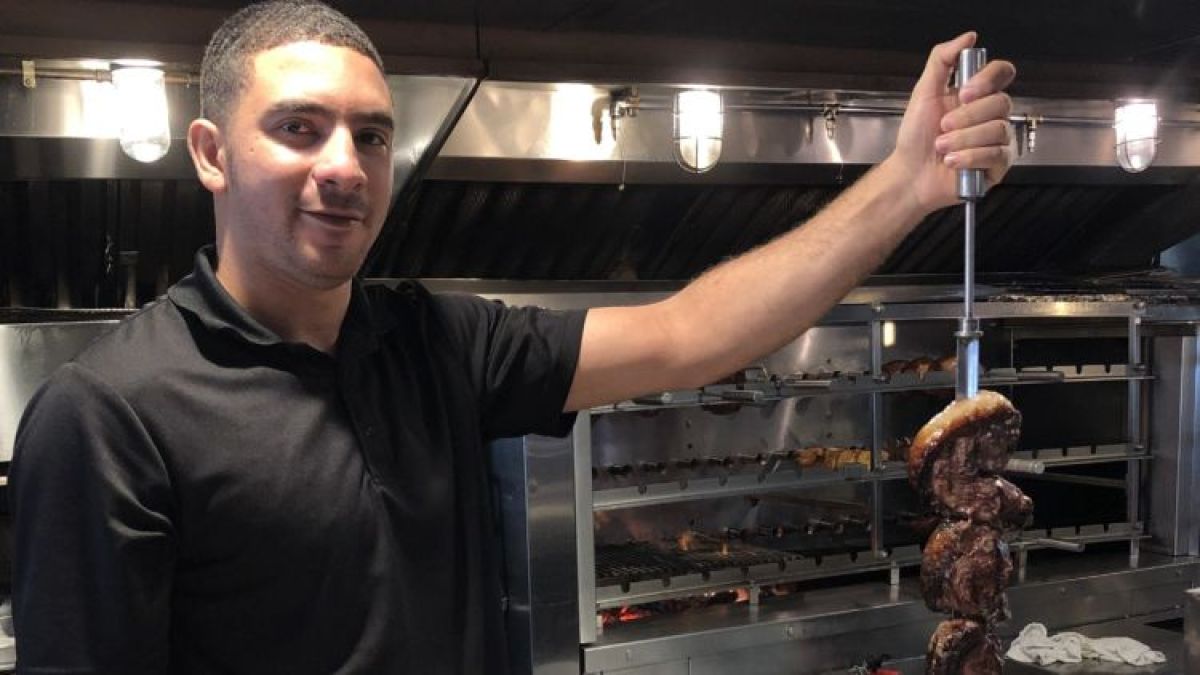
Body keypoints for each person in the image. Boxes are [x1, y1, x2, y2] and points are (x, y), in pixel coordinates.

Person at [8, 1, 1016, 674]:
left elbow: (687, 334)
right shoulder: (109, 417)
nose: (346, 166)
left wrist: (906, 184)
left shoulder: (435, 343)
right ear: (212, 153)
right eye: (300, 129)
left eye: (370, 134)